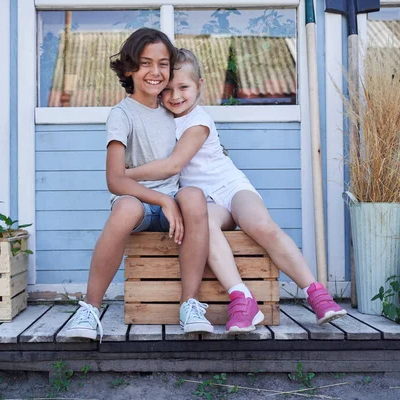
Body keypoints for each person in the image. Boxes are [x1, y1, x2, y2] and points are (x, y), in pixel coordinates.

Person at [125, 49, 347, 331]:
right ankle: (241, 297)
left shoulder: (199, 120)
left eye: (183, 87)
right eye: (167, 89)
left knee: (261, 225)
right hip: (204, 201)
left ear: (200, 86)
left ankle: (316, 293)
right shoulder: (160, 122)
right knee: (203, 224)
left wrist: (125, 174)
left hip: (231, 187)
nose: (175, 95)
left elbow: (173, 164)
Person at [64, 30, 214, 341]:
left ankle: (190, 304)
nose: (156, 72)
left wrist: (172, 198)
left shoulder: (173, 106)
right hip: (141, 202)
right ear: (129, 68)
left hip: (174, 199)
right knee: (125, 209)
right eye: (146, 63)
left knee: (195, 196)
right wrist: (163, 200)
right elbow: (115, 180)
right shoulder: (122, 115)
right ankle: (90, 308)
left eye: (163, 64)